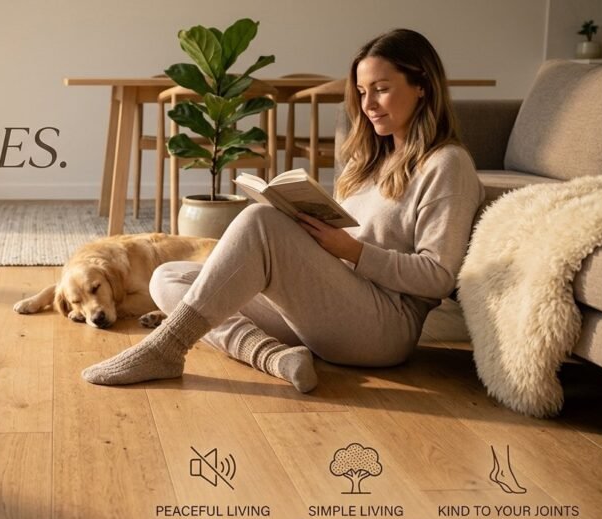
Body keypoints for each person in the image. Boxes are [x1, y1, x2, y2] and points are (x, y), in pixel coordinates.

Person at [81, 28, 485, 392]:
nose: (368, 105)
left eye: (380, 88)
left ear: (423, 86)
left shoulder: (446, 164)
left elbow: (437, 276)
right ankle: (273, 356)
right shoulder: (369, 162)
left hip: (384, 326)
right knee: (167, 276)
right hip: (329, 306)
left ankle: (168, 347)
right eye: (362, 93)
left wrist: (352, 251)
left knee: (260, 221)